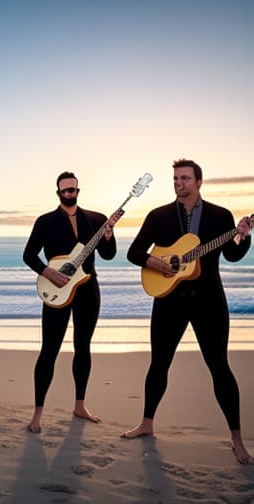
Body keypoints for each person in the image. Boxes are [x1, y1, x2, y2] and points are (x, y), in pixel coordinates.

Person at [121, 159, 252, 464]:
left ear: (199, 182)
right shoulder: (159, 216)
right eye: (176, 178)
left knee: (219, 367)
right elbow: (134, 252)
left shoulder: (220, 216)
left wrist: (243, 234)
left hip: (209, 301)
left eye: (185, 178)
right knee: (159, 364)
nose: (178, 183)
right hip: (169, 300)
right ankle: (147, 423)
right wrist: (158, 263)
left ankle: (236, 438)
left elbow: (232, 255)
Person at [23, 171, 120, 433]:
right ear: (58, 192)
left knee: (83, 347)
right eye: (65, 190)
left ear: (79, 190)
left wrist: (109, 235)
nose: (69, 194)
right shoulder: (45, 221)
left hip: (88, 289)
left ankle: (80, 405)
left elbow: (109, 255)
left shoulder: (97, 220)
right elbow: (28, 255)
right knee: (49, 350)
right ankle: (37, 414)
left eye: (73, 190)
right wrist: (48, 272)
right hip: (57, 288)